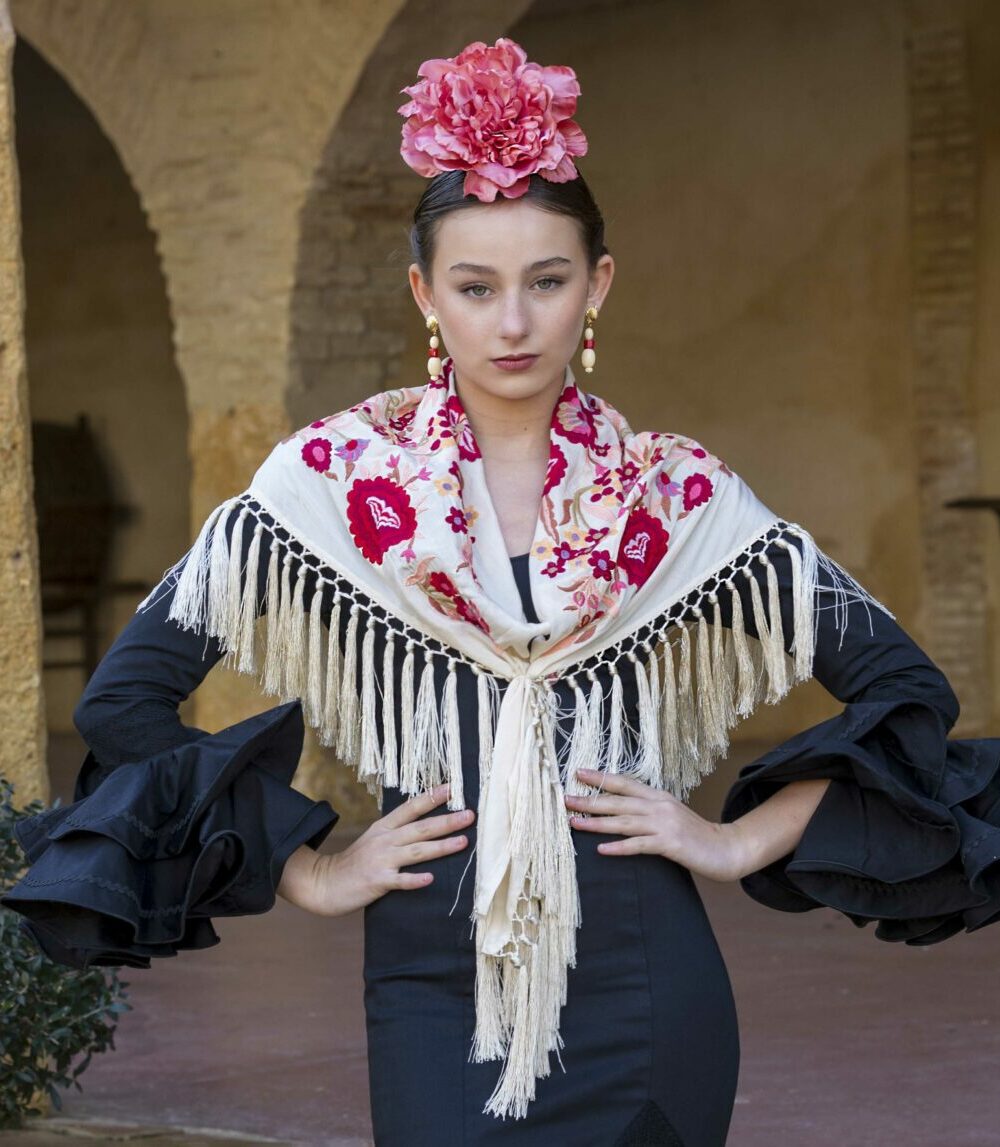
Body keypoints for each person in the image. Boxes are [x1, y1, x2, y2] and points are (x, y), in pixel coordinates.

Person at [5, 36, 1000, 1147]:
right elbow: (126, 702)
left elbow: (902, 687)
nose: (514, 324)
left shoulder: (683, 498)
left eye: (547, 281)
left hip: (649, 995)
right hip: (431, 993)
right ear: (425, 293)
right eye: (476, 287)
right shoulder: (324, 491)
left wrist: (727, 840)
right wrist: (310, 870)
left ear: (598, 285)